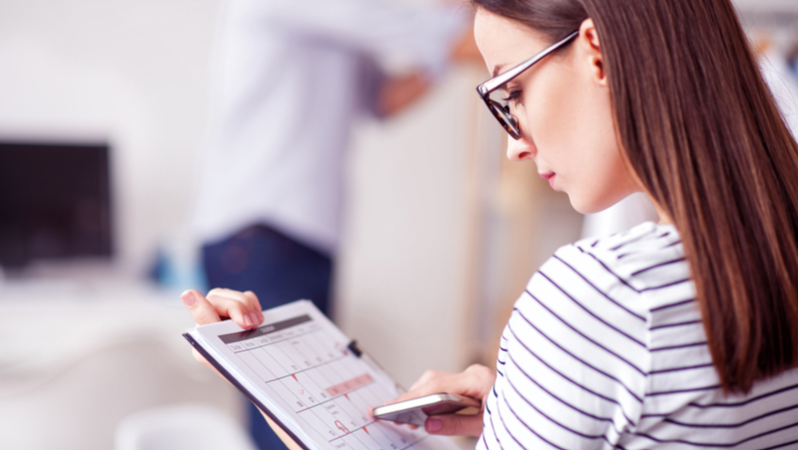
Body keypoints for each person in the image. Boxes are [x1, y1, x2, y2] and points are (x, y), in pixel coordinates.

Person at [182, 0, 798, 447]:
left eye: (513, 92)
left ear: (598, 53)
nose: (515, 146)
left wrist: (298, 418)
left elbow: (416, 58)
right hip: (260, 222)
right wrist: (531, 410)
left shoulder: (592, 299)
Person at [190, 0, 478, 448]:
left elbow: (383, 100)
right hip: (261, 232)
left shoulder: (345, 18)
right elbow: (447, 35)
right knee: (302, 428)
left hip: (303, 238)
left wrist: (450, 46)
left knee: (299, 423)